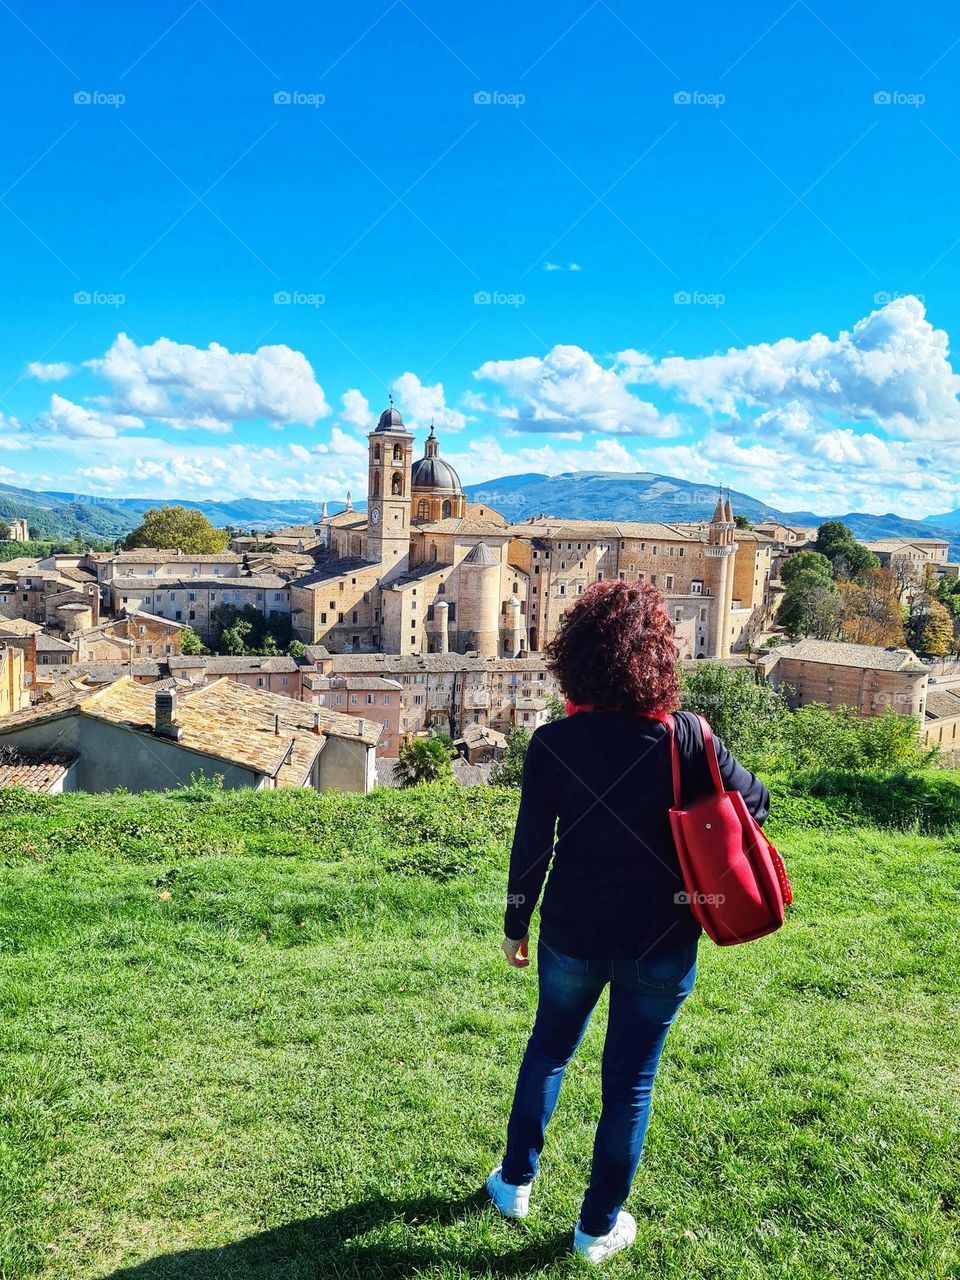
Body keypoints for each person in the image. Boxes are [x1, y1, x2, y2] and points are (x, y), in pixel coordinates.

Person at [486, 579, 769, 1264]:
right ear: (660, 656)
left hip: (571, 934)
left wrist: (515, 924)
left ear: (575, 655)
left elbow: (530, 848)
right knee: (630, 1083)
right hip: (664, 935)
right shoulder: (690, 736)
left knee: (548, 1049)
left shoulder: (552, 743)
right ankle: (596, 1229)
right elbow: (754, 805)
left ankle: (516, 1183)